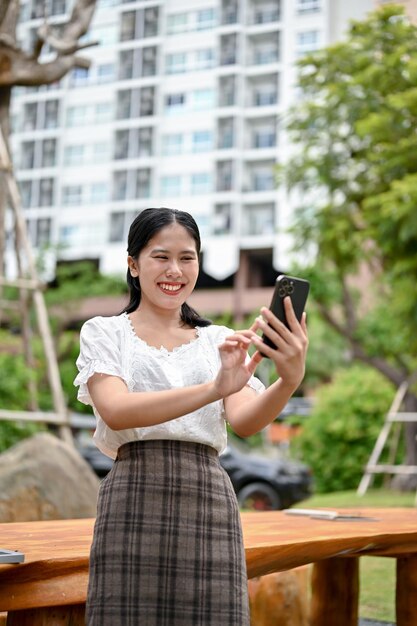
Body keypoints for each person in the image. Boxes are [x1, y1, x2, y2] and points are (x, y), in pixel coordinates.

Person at [74, 207, 308, 626]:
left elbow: (246, 420)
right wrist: (213, 388)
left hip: (209, 501)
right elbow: (116, 410)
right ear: (133, 263)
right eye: (161, 256)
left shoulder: (217, 340)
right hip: (132, 499)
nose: (175, 270)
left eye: (188, 258)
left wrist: (288, 380)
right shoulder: (103, 333)